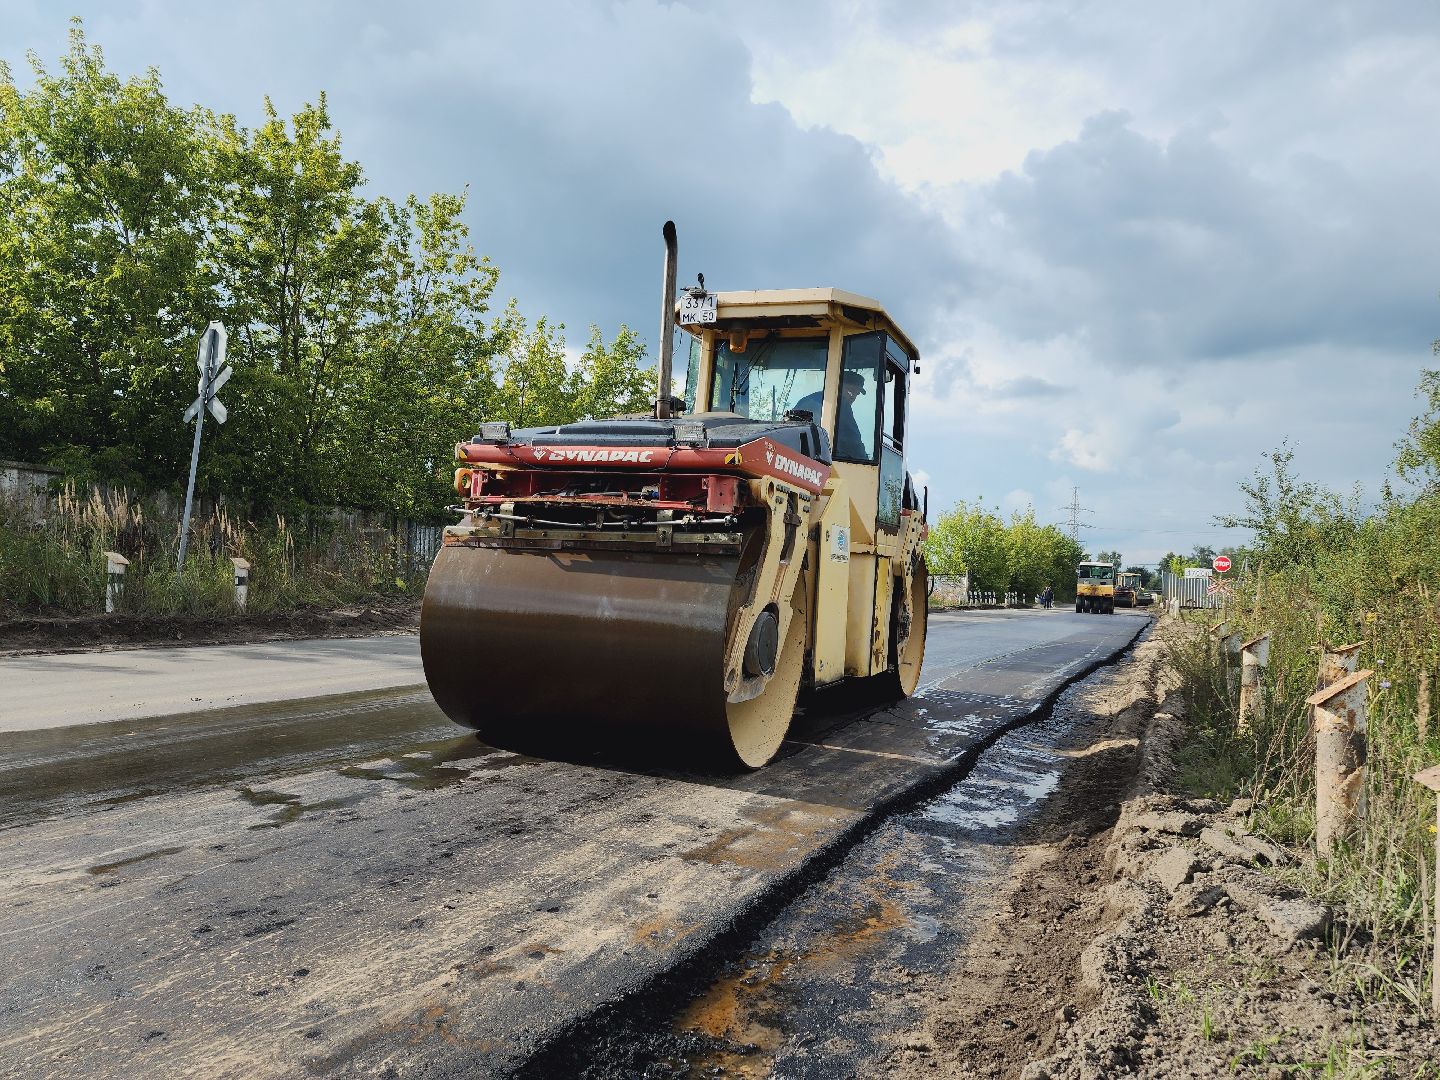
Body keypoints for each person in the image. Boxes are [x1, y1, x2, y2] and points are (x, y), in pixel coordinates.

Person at [794, 371, 868, 458]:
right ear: (838, 386)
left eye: (856, 394)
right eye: (850, 391)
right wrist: (864, 459)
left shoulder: (806, 400)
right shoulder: (841, 404)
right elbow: (854, 442)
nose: (853, 397)